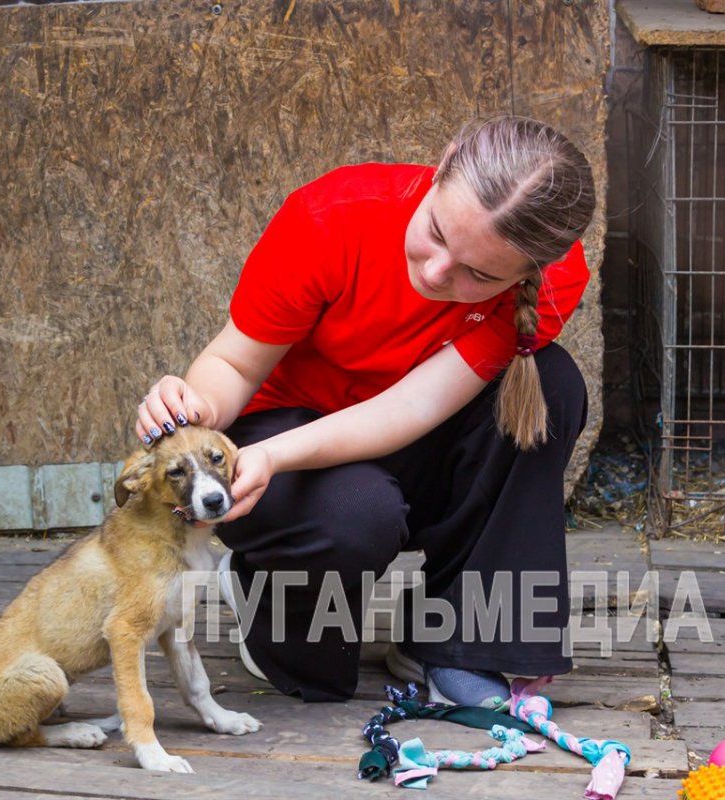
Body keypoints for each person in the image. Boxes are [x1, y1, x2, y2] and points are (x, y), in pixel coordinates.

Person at [135, 116, 596, 705]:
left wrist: (278, 457)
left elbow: (415, 406)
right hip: (286, 434)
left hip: (396, 431)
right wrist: (194, 408)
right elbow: (235, 366)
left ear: (532, 271)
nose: (434, 273)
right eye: (436, 231)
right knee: (355, 513)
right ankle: (270, 606)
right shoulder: (330, 219)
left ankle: (456, 640)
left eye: (478, 274)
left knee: (549, 386)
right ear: (444, 161)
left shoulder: (558, 277)